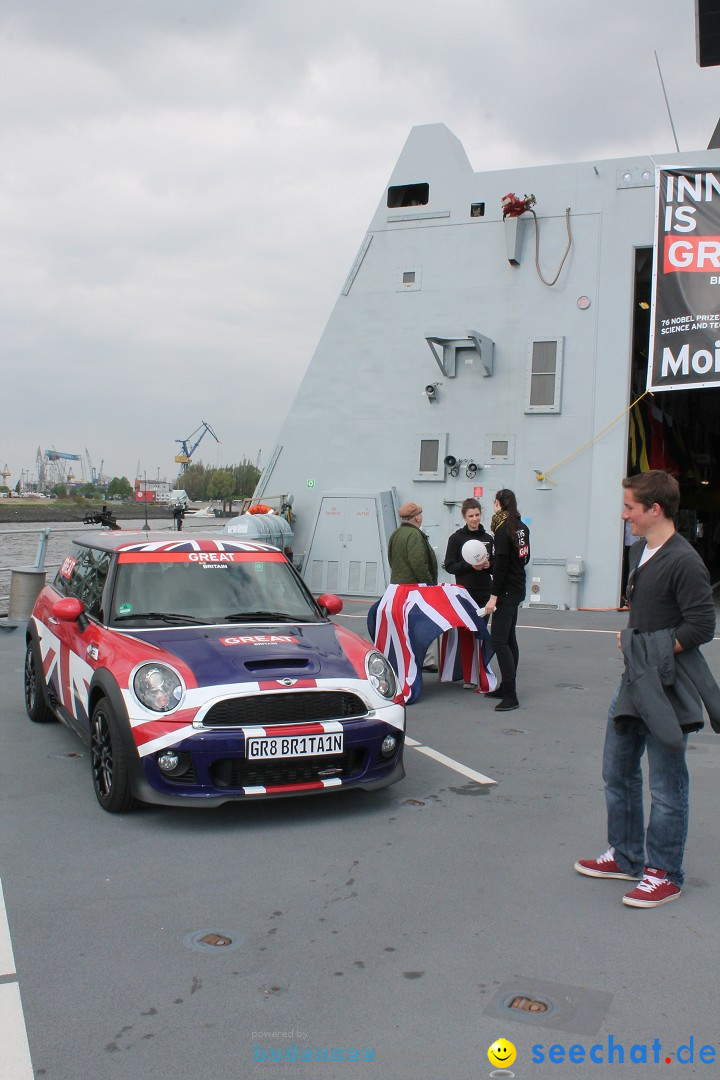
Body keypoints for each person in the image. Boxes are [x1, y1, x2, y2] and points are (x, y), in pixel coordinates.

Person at [575, 470, 719, 908]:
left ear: (654, 509)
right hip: (633, 682)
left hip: (667, 688)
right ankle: (626, 855)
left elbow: (701, 626)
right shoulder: (641, 550)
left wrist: (648, 646)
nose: (624, 516)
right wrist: (636, 639)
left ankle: (665, 873)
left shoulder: (684, 560)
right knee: (616, 772)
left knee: (666, 783)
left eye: (630, 508)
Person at [483, 489, 530, 712]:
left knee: (499, 641)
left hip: (506, 591)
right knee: (509, 638)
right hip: (518, 587)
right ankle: (505, 687)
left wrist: (493, 597)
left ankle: (510, 695)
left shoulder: (503, 530)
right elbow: (524, 557)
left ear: (499, 504)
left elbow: (501, 565)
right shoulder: (522, 528)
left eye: (494, 502)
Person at [443, 498, 494, 689]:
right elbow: (450, 565)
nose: (474, 519)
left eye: (477, 515)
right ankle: (468, 676)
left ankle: (481, 671)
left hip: (485, 593)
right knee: (467, 635)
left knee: (482, 634)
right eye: (471, 516)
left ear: (481, 515)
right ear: (464, 517)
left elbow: (496, 564)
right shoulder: (456, 539)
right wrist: (469, 566)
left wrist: (489, 566)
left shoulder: (488, 538)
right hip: (465, 593)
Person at [387, 502, 438, 586]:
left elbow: (391, 559)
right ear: (417, 518)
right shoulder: (414, 534)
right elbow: (419, 564)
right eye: (420, 514)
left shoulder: (396, 533)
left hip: (397, 586)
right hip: (413, 589)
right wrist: (429, 584)